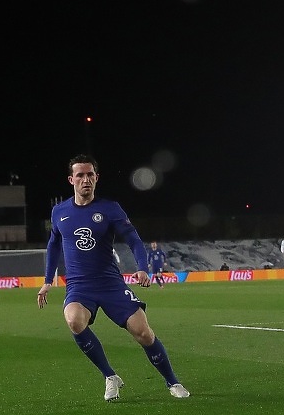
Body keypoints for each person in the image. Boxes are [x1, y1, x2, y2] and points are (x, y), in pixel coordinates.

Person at [37, 154, 190, 402]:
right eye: (80, 175)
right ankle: (110, 376)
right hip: (79, 285)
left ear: (96, 178)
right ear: (71, 180)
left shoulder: (110, 209)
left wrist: (142, 267)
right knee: (74, 321)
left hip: (110, 283)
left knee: (143, 333)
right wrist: (47, 280)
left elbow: (133, 239)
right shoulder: (59, 212)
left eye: (90, 175)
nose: (85, 180)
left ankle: (173, 381)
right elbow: (54, 244)